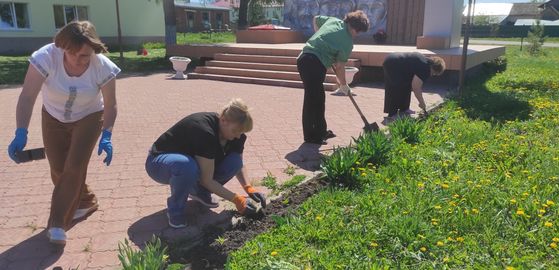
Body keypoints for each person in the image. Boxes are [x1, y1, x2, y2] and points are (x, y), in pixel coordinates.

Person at [7, 21, 121, 244]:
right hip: (52, 115)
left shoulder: (103, 67)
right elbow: (27, 96)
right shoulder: (45, 57)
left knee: (74, 167)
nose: (77, 60)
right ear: (62, 46)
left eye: (85, 56)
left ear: (94, 51)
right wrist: (21, 131)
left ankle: (57, 224)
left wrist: (107, 134)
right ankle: (86, 201)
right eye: (71, 53)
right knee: (58, 168)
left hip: (89, 116)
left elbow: (111, 104)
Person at [145, 99, 267, 229]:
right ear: (224, 120)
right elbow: (206, 180)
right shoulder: (204, 131)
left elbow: (239, 165)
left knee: (234, 161)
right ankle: (175, 210)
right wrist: (237, 200)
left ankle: (199, 192)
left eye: (241, 132)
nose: (238, 136)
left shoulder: (237, 135)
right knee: (186, 166)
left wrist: (248, 187)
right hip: (159, 163)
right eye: (235, 131)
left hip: (191, 164)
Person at [297, 10, 369, 145]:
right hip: (314, 63)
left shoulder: (333, 21)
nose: (357, 35)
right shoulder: (347, 42)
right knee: (313, 100)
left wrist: (320, 37)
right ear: (355, 28)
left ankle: (320, 131)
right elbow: (340, 67)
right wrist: (343, 85)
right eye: (358, 32)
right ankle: (312, 136)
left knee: (317, 98)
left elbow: (316, 18)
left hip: (304, 58)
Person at [382, 52, 445, 123]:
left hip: (397, 61)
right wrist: (422, 103)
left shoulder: (426, 61)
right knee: (396, 88)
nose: (432, 75)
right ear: (434, 69)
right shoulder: (425, 68)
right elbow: (416, 88)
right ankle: (392, 114)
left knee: (406, 84)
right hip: (392, 63)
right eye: (434, 73)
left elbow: (413, 84)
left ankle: (404, 108)